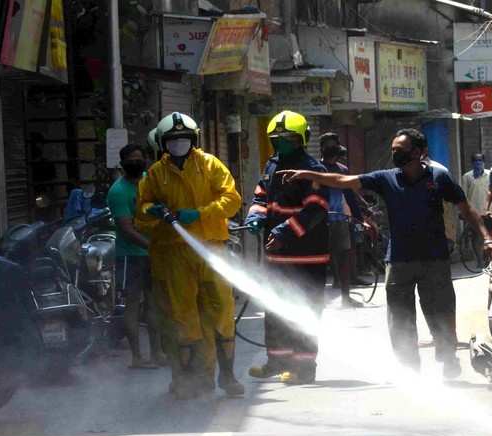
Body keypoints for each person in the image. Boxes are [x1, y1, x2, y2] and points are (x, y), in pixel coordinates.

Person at [279, 128, 492, 377]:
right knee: (400, 322)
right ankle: (410, 371)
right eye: (393, 150)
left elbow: (467, 209)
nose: (395, 154)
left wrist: (487, 239)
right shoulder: (386, 179)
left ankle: (448, 358)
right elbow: (344, 182)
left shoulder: (439, 178)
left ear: (419, 152)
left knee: (441, 313)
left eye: (400, 151)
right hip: (398, 262)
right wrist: (308, 174)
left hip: (434, 260)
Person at [137, 112, 244, 399]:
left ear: (194, 139)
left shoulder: (210, 165)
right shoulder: (155, 175)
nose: (179, 144)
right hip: (173, 255)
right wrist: (153, 211)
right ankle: (189, 379)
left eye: (184, 139)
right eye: (173, 140)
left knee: (221, 311)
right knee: (182, 318)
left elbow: (232, 199)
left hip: (211, 249)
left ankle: (228, 377)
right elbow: (141, 210)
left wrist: (200, 213)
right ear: (162, 143)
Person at [245, 111, 330, 385]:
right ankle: (277, 361)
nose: (282, 143)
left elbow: (315, 210)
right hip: (277, 255)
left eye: (288, 138)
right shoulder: (272, 166)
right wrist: (256, 216)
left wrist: (283, 231)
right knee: (275, 308)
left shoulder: (313, 170)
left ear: (302, 139)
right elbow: (260, 195)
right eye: (277, 139)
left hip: (307, 256)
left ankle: (303, 368)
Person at [107, 144, 166, 368]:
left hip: (153, 253)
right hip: (130, 256)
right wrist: (151, 246)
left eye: (139, 158)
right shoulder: (118, 191)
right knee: (132, 304)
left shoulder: (150, 183)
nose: (136, 162)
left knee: (153, 304)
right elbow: (125, 229)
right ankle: (136, 357)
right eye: (131, 159)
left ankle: (157, 353)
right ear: (122, 164)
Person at [319, 132, 361, 307]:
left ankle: (346, 298)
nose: (330, 149)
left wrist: (360, 218)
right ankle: (316, 299)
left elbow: (350, 196)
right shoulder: (315, 169)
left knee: (344, 258)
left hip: (339, 221)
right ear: (321, 148)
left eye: (333, 146)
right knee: (319, 261)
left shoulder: (342, 170)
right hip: (318, 222)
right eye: (327, 146)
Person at [461, 153, 492, 266]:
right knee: (476, 238)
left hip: (489, 212)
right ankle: (479, 260)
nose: (478, 163)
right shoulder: (467, 177)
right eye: (476, 161)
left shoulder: (490, 175)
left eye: (480, 161)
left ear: (483, 162)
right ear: (472, 163)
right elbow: (463, 196)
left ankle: (488, 260)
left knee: (489, 236)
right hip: (474, 213)